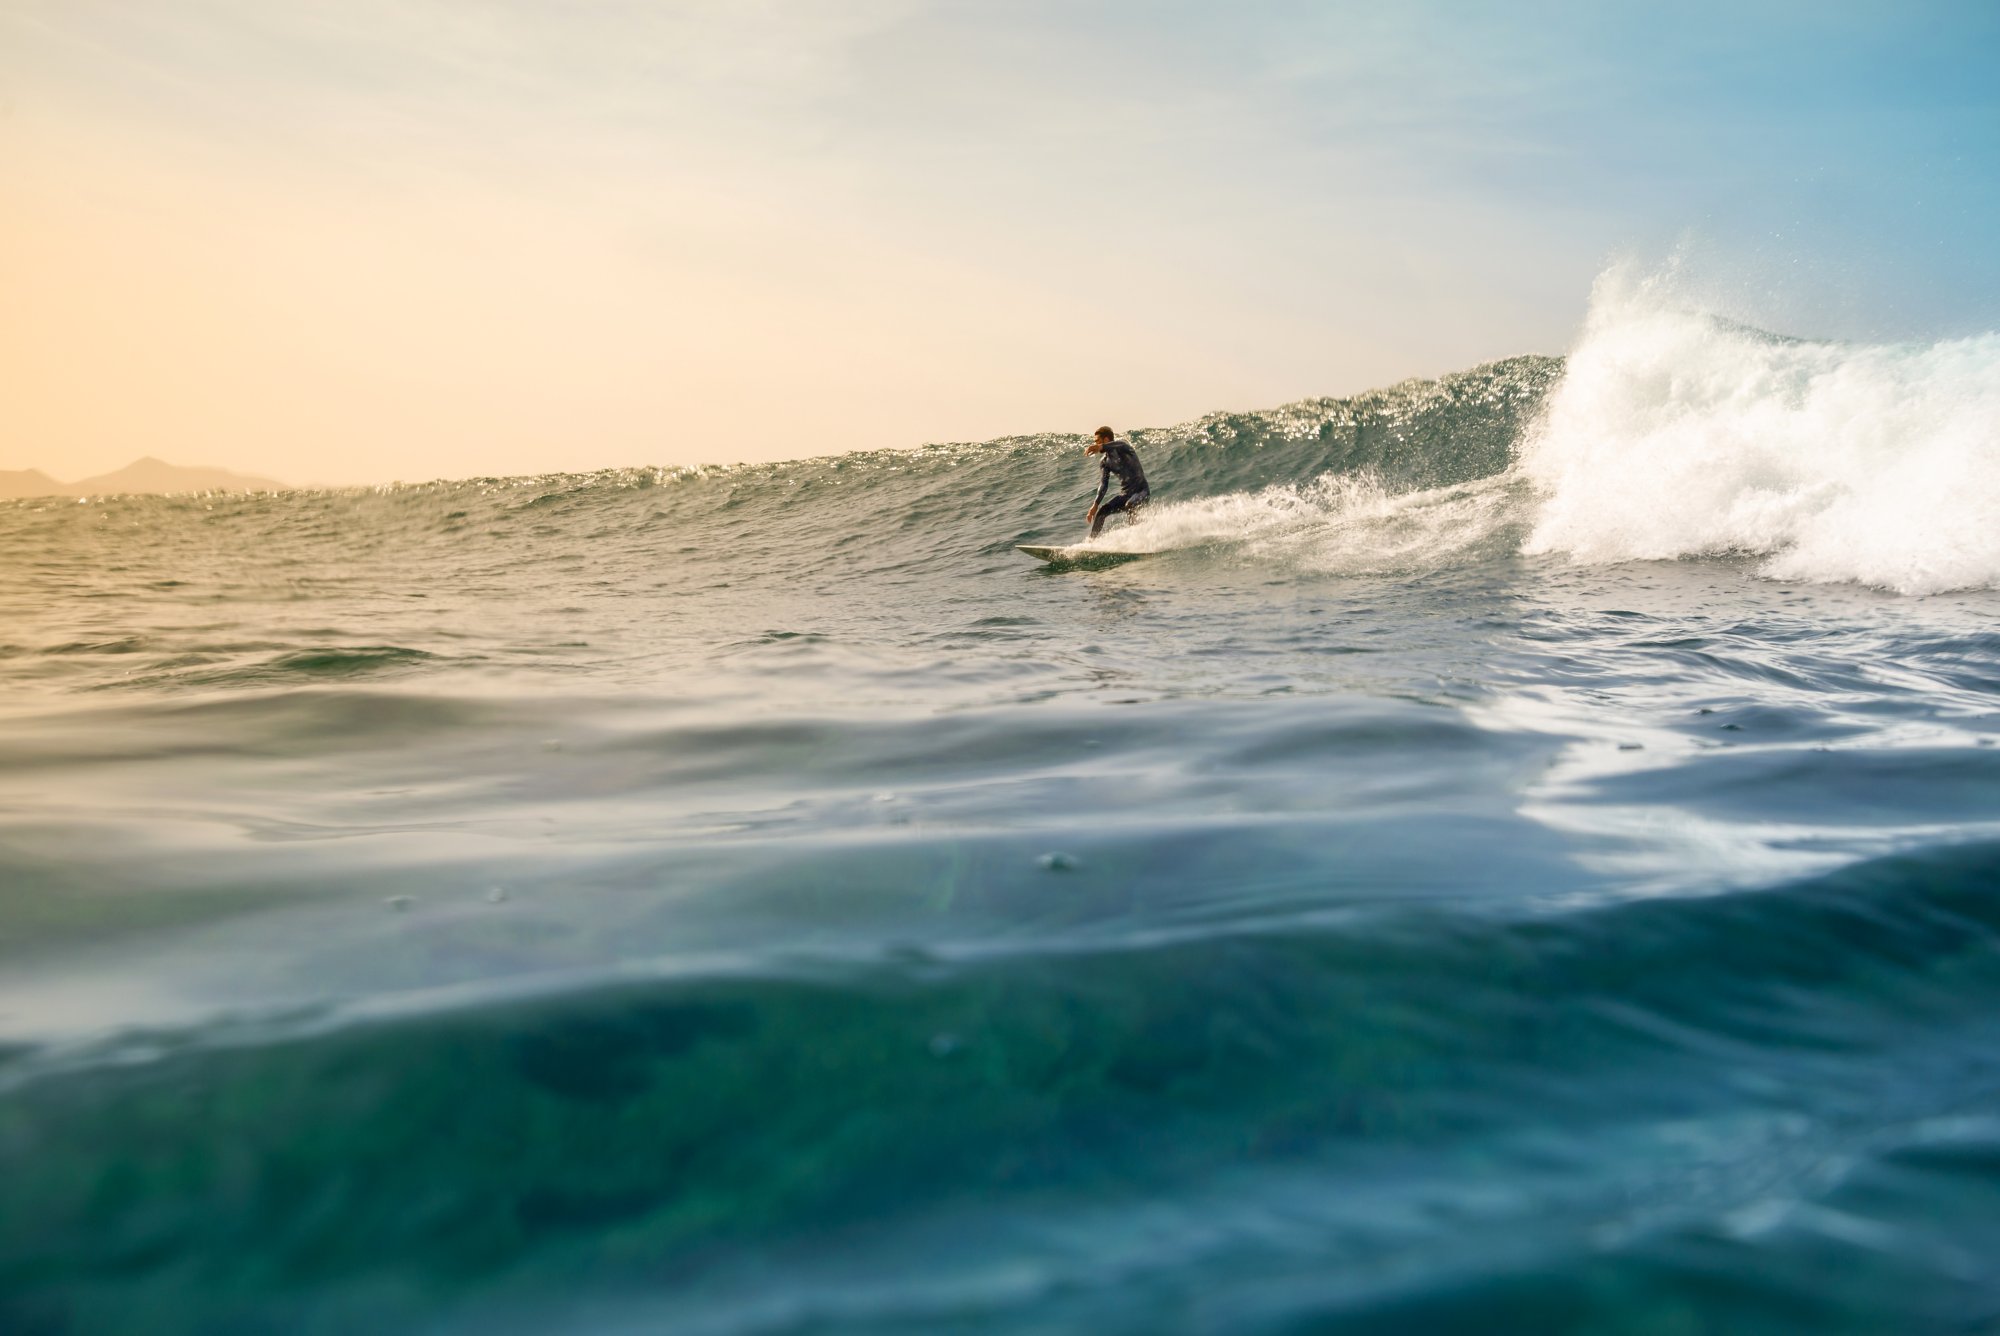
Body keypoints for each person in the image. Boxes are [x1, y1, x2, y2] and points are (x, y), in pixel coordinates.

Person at [1084, 426, 1149, 538]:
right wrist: (1095, 505)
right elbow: (1104, 484)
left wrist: (1100, 446)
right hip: (1126, 494)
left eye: (1097, 441)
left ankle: (1138, 538)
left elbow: (1119, 444)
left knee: (1130, 504)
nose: (1095, 443)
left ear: (1106, 440)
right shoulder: (1105, 462)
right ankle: (1091, 542)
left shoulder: (1123, 448)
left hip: (1142, 492)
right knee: (1101, 512)